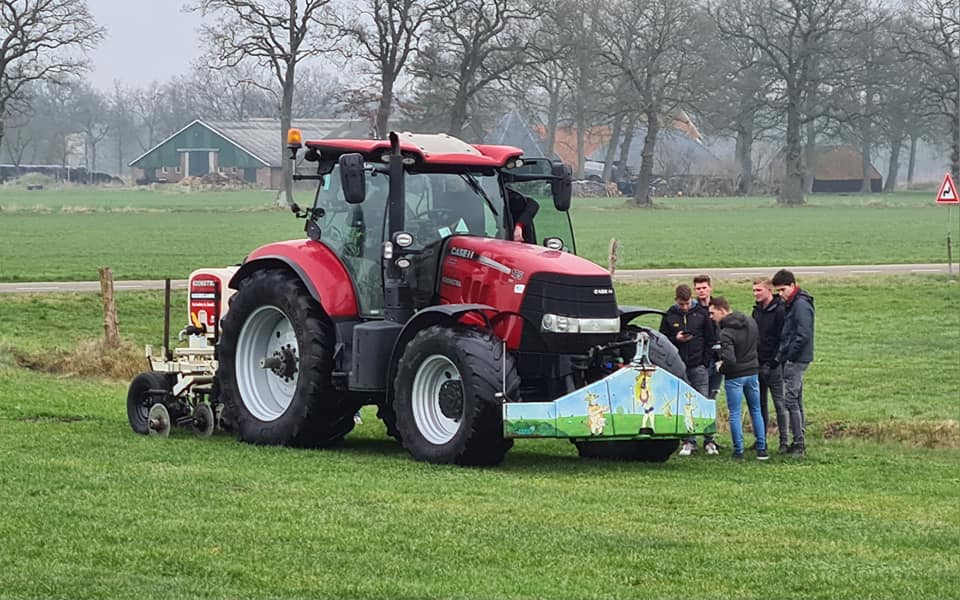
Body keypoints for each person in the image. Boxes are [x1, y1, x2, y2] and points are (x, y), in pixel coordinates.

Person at [659, 284, 719, 456]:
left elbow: (710, 338)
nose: (684, 307)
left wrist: (704, 360)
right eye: (681, 304)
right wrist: (675, 338)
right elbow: (663, 339)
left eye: (686, 304)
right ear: (676, 301)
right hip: (679, 366)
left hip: (698, 365)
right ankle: (688, 440)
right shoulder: (669, 315)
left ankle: (709, 440)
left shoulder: (701, 314)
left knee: (704, 400)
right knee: (685, 403)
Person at [708, 296, 767, 460]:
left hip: (735, 376)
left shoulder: (726, 332)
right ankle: (762, 448)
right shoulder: (751, 322)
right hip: (753, 371)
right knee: (756, 410)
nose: (711, 317)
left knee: (735, 413)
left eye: (713, 313)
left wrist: (721, 367)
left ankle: (738, 450)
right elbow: (757, 344)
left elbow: (730, 359)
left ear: (722, 310)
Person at [772, 269, 815, 458]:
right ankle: (798, 439)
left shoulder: (800, 305)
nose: (780, 295)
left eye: (782, 290)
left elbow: (802, 335)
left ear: (792, 285)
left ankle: (799, 444)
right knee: (795, 399)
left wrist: (788, 355)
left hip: (796, 359)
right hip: (795, 357)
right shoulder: (795, 303)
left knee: (790, 399)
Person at [751, 277, 788, 453]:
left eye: (759, 290)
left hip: (774, 365)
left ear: (769, 290)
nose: (755, 294)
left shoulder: (779, 310)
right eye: (754, 291)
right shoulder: (756, 311)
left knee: (779, 403)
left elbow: (783, 339)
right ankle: (761, 439)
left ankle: (784, 441)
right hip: (757, 363)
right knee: (760, 404)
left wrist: (774, 362)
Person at [693, 274, 722, 399]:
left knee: (713, 394)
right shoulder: (693, 310)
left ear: (710, 288)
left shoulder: (718, 307)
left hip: (718, 357)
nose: (701, 291)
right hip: (702, 358)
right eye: (698, 288)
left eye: (704, 288)